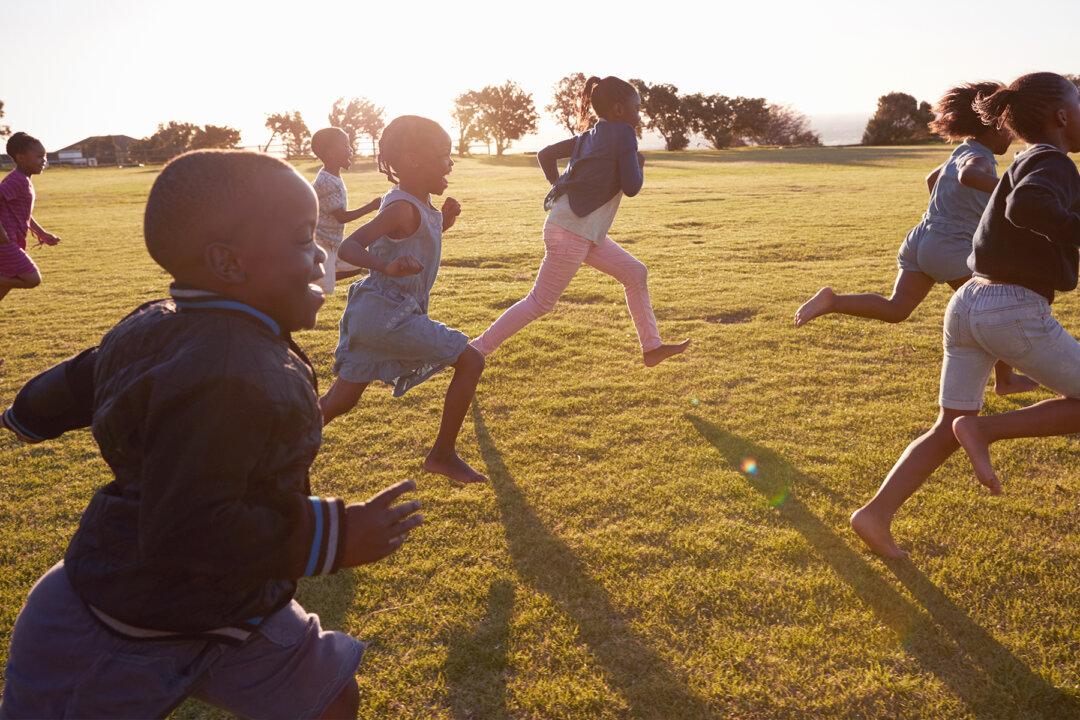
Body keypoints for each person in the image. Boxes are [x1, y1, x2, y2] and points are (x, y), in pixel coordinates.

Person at [0, 150, 423, 718]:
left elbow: (86, 376)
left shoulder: (163, 324)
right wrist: (333, 535)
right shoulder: (228, 372)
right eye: (302, 239)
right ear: (228, 264)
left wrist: (29, 414)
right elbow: (189, 528)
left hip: (237, 602)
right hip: (122, 621)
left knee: (327, 694)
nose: (319, 252)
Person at [851, 72, 1080, 558]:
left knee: (947, 424)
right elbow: (1030, 206)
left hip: (970, 302)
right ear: (1061, 116)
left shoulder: (1024, 158)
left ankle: (874, 514)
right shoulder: (1053, 162)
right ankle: (986, 430)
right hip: (1011, 309)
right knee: (972, 423)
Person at [795, 83, 1034, 395]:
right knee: (995, 309)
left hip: (923, 239)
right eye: (1006, 128)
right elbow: (969, 176)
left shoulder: (962, 150)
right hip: (949, 246)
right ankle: (1006, 380)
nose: (1011, 135)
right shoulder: (980, 157)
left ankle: (833, 300)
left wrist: (948, 213)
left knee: (897, 309)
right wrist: (1012, 187)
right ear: (990, 126)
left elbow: (932, 178)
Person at [470, 75, 690, 367]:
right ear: (618, 110)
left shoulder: (590, 136)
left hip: (578, 229)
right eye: (636, 108)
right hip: (572, 232)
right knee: (540, 302)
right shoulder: (624, 135)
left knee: (635, 274)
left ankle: (652, 348)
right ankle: (475, 351)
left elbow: (545, 154)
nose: (639, 115)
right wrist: (639, 164)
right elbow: (633, 186)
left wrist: (559, 185)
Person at [319, 116, 488, 485]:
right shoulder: (400, 207)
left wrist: (443, 222)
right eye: (443, 155)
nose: (450, 164)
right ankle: (442, 455)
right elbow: (350, 246)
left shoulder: (419, 204)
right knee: (471, 360)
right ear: (412, 160)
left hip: (376, 316)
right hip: (387, 316)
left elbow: (414, 240)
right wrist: (385, 266)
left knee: (338, 402)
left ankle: (278, 448)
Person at [310, 126, 381, 294]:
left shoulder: (333, 176)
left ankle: (320, 274)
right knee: (323, 290)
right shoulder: (326, 181)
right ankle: (311, 278)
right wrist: (371, 206)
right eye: (345, 145)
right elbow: (341, 217)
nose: (351, 150)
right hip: (322, 244)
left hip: (333, 242)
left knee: (356, 262)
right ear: (330, 153)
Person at [0, 132, 61, 305]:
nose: (44, 160)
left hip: (13, 239)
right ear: (20, 158)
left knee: (4, 286)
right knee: (32, 279)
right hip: (5, 242)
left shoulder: (24, 180)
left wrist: (42, 233)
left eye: (45, 156)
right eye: (39, 156)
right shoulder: (17, 180)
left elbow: (24, 214)